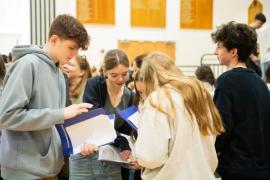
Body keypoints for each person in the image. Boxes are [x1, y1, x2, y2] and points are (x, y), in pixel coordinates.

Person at [0, 14, 92, 179]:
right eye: (71, 47)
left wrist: (80, 140)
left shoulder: (58, 73)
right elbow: (6, 116)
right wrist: (61, 114)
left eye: (77, 49)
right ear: (55, 40)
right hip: (23, 171)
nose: (74, 54)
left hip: (48, 169)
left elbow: (53, 123)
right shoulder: (27, 65)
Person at [134, 52, 224, 179]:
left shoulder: (158, 99)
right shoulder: (200, 93)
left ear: (149, 78)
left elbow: (151, 157)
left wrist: (139, 152)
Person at [211, 21, 270, 179]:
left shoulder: (226, 81)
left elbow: (221, 127)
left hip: (237, 168)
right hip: (262, 167)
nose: (215, 51)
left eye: (219, 47)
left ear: (233, 52)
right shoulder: (260, 83)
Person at [70, 49, 136, 180]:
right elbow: (98, 122)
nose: (120, 79)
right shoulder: (94, 85)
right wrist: (123, 143)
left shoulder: (130, 96)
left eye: (124, 74)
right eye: (114, 75)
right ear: (105, 72)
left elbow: (129, 128)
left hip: (111, 157)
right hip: (86, 153)